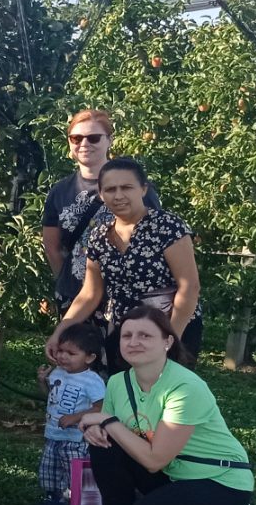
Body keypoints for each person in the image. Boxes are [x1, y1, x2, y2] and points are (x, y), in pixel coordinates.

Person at [75, 305, 253, 505]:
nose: (134, 342)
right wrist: (96, 430)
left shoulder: (185, 387)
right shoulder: (117, 382)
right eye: (127, 336)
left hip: (219, 480)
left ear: (167, 342)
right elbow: (112, 432)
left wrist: (105, 420)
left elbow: (154, 459)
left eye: (145, 336)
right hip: (172, 472)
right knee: (105, 445)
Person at [47, 158, 202, 370]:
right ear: (101, 195)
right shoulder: (99, 236)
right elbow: (90, 294)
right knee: (124, 396)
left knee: (164, 398)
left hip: (173, 327)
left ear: (143, 189)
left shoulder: (167, 227)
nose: (118, 195)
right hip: (125, 333)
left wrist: (169, 340)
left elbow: (189, 286)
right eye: (110, 189)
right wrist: (60, 331)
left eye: (127, 187)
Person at [42, 108, 160, 309]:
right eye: (76, 138)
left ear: (109, 140)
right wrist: (67, 281)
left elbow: (156, 238)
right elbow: (52, 246)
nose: (84, 144)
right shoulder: (60, 191)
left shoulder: (135, 186)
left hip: (127, 299)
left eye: (94, 138)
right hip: (75, 298)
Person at [38, 322, 107, 505]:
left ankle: (78, 504)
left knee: (74, 472)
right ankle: (54, 500)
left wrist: (75, 417)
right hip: (53, 434)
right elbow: (51, 396)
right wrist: (43, 382)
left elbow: (100, 407)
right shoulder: (58, 373)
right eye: (60, 351)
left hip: (76, 438)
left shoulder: (92, 381)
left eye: (71, 353)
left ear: (90, 357)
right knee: (50, 469)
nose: (62, 356)